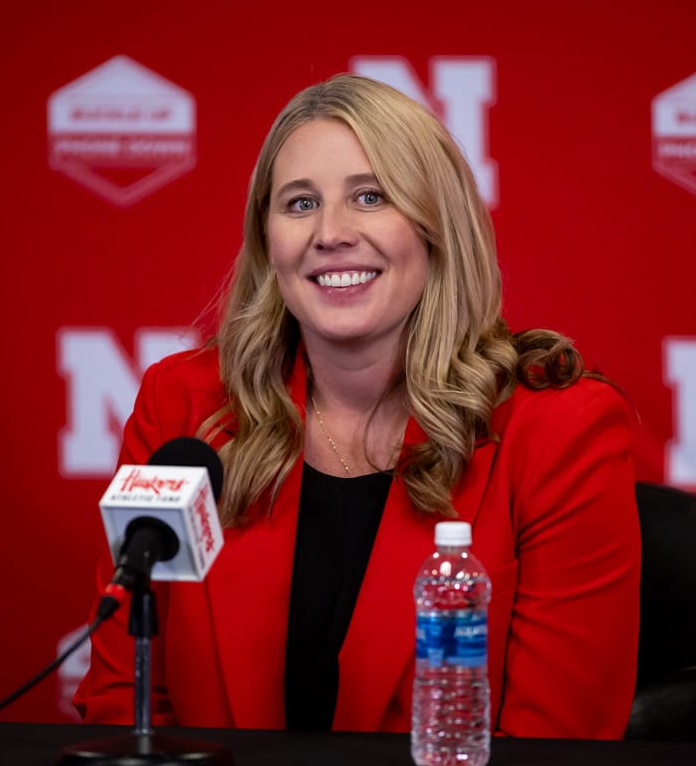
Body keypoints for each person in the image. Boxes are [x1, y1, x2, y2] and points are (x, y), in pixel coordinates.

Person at [74, 74, 640, 738]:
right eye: (300, 203)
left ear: (437, 227)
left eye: (371, 197)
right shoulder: (184, 406)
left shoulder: (557, 428)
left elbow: (552, 747)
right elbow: (127, 696)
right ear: (268, 241)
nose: (331, 233)